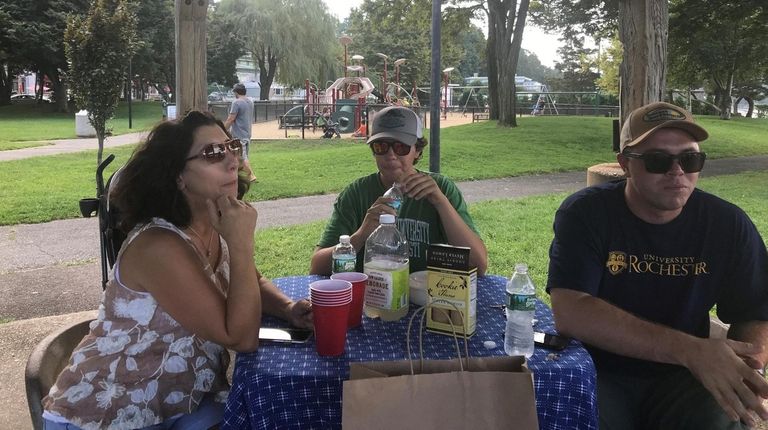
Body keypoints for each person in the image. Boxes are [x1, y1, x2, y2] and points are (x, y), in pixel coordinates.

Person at [42, 111, 312, 429]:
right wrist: (242, 245)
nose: (231, 161)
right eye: (213, 153)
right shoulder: (158, 246)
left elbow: (253, 280)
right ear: (178, 176)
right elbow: (241, 338)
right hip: (109, 411)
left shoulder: (213, 223)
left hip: (180, 400)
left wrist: (288, 307)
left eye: (232, 147)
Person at [546, 101, 768, 429]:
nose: (677, 171)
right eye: (658, 160)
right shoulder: (586, 214)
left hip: (685, 378)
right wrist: (689, 349)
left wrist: (745, 366)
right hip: (598, 368)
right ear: (625, 164)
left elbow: (755, 311)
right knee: (568, 412)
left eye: (691, 159)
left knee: (722, 418)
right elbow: (571, 311)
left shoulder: (727, 224)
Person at [309, 106, 487, 276]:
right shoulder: (356, 193)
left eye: (401, 146)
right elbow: (317, 266)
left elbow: (479, 265)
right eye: (381, 146)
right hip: (374, 299)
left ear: (417, 150)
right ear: (373, 151)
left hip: (429, 297)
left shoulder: (442, 188)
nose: (391, 154)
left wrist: (441, 203)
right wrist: (362, 234)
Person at [224, 83, 257, 182]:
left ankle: (251, 176)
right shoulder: (250, 101)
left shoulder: (236, 103)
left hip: (239, 135)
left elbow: (231, 119)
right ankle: (236, 176)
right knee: (240, 156)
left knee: (242, 157)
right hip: (247, 133)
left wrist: (223, 129)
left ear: (236, 92)